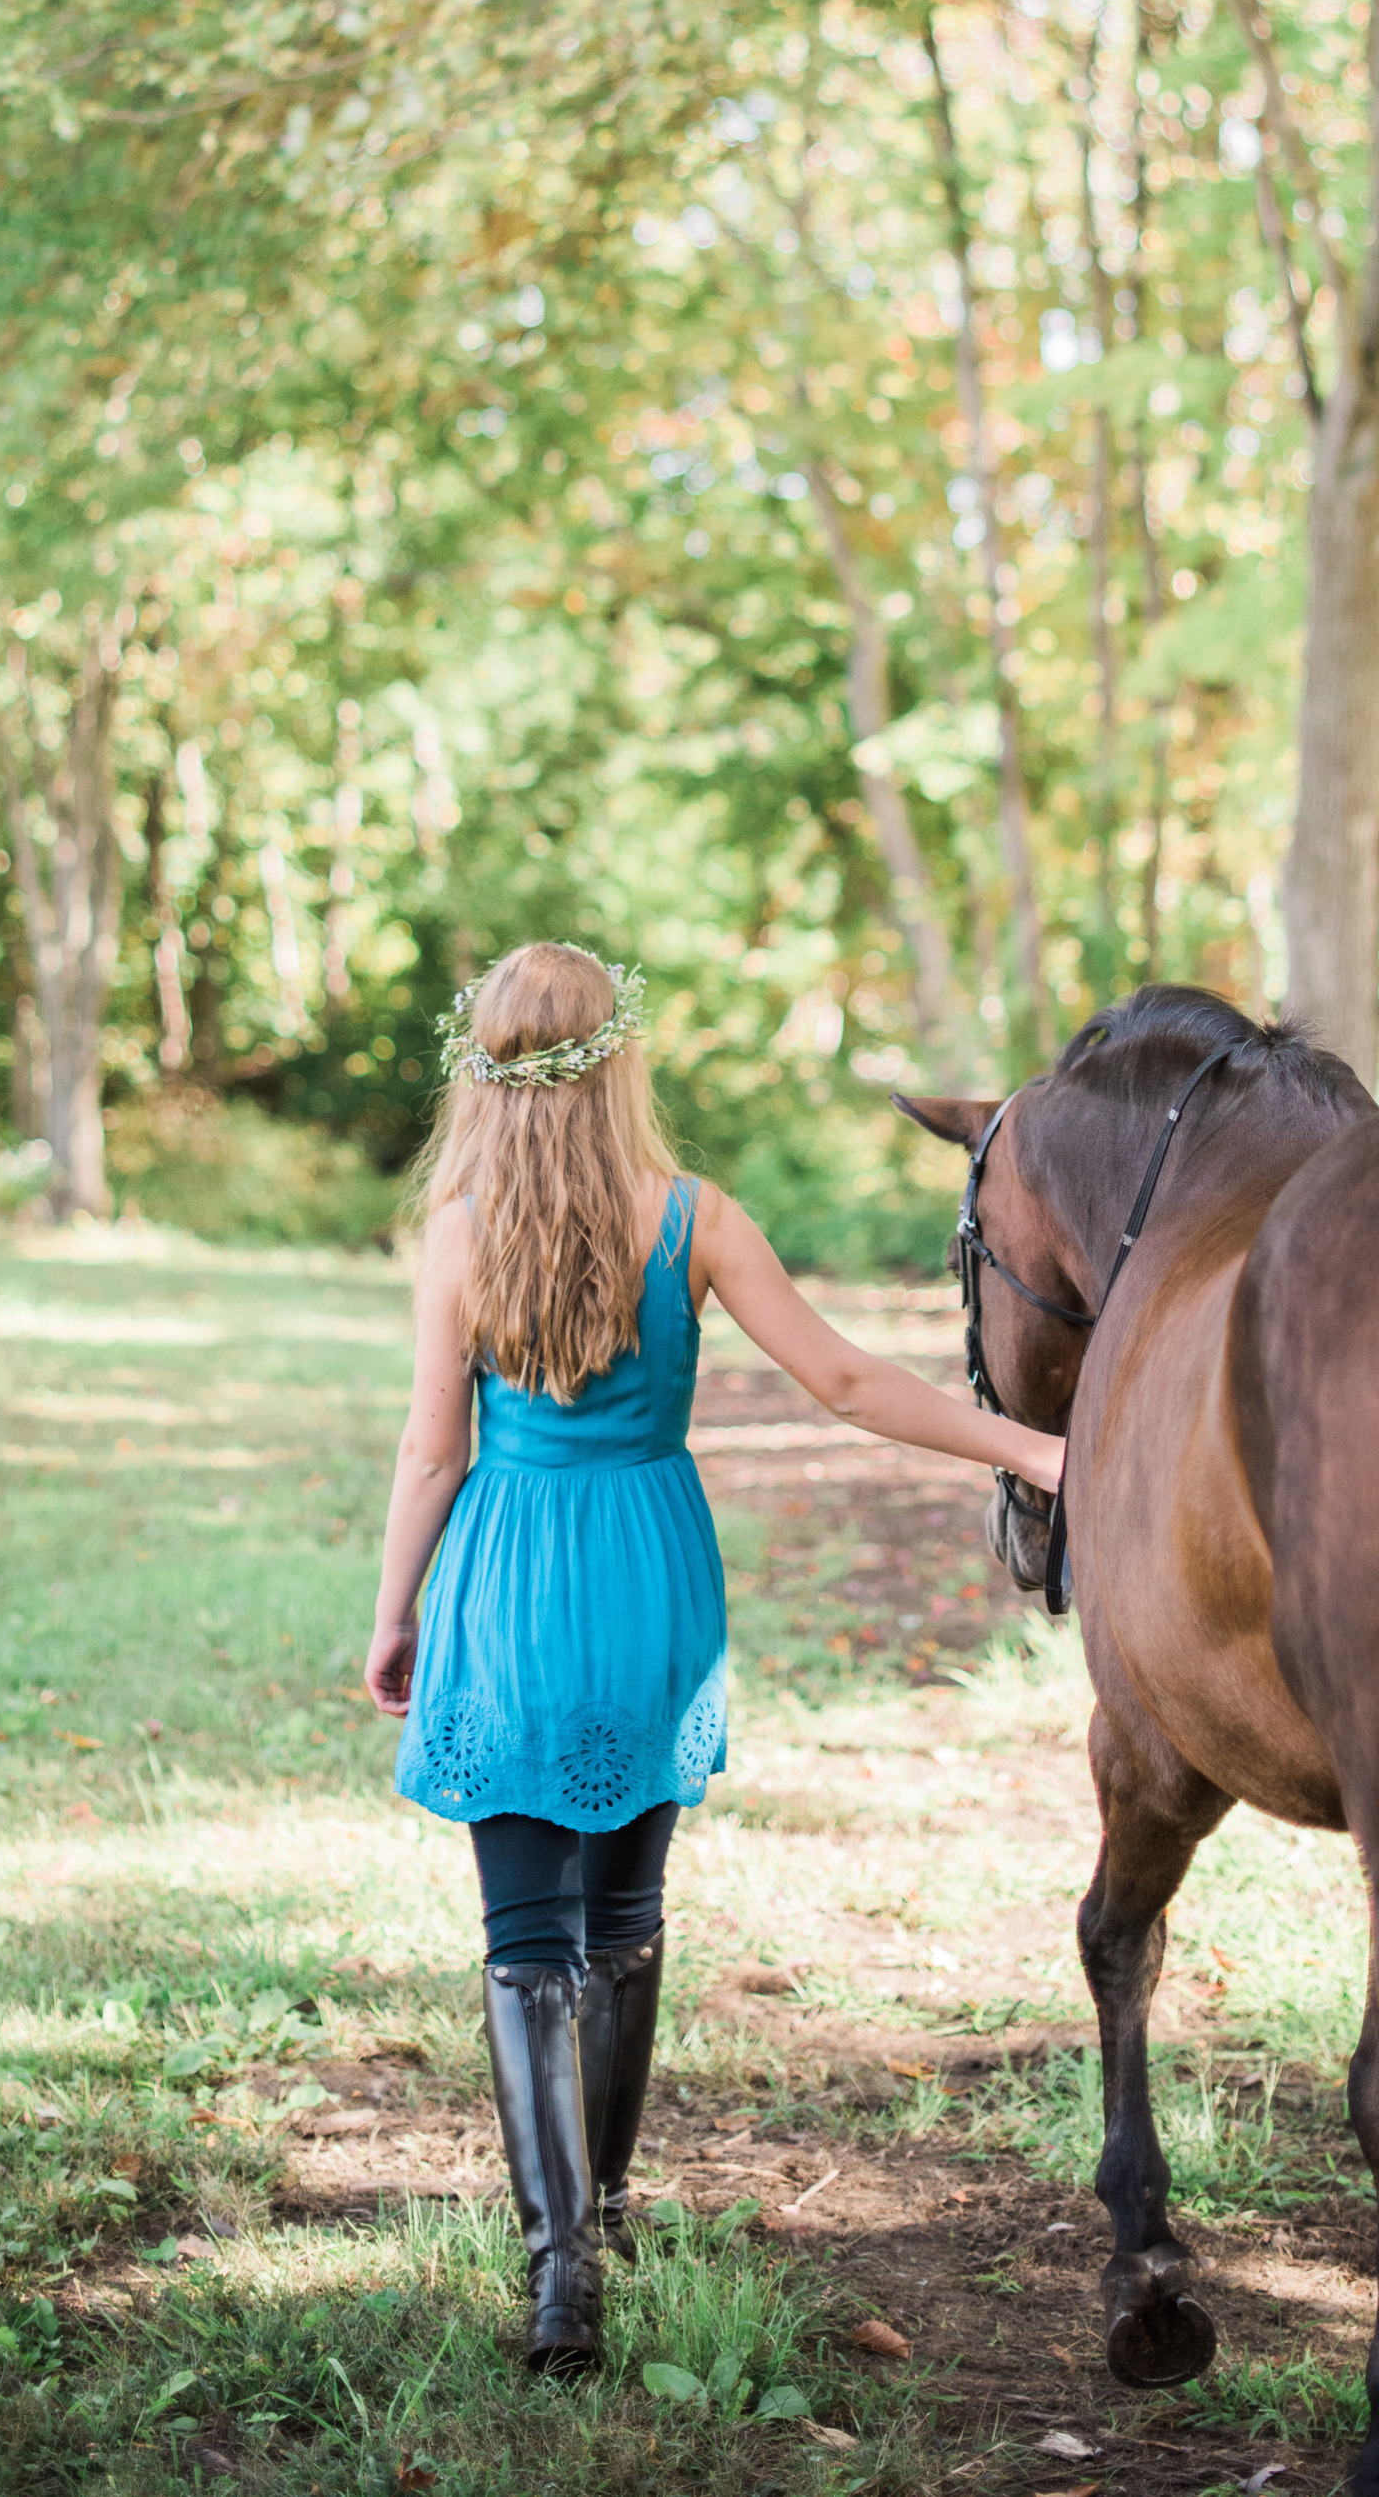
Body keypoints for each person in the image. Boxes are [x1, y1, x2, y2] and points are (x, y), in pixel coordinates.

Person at [363, 938, 1063, 2376]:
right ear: (620, 1061)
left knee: (525, 1940)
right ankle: (605, 2204)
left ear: (482, 1068)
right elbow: (852, 1380)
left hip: (510, 1575)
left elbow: (435, 1446)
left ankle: (561, 2274)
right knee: (625, 1916)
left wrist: (395, 1609)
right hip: (650, 1581)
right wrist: (1034, 1445)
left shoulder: (458, 1222)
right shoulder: (692, 1218)